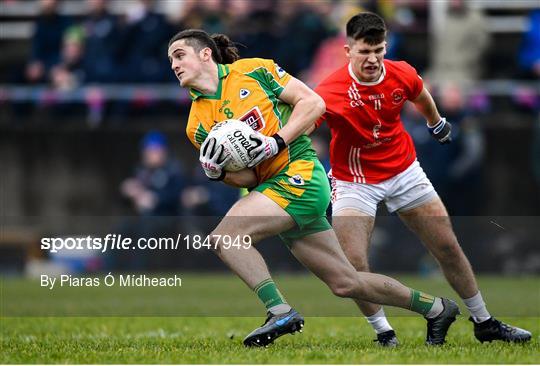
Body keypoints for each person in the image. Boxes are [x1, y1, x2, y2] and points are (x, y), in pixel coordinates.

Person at [167, 28, 461, 348]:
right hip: (272, 188)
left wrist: (275, 142)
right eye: (170, 60)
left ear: (205, 54)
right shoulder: (196, 124)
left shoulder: (253, 71)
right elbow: (248, 178)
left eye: (180, 55)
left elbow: (313, 102)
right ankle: (437, 308)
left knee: (226, 236)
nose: (174, 64)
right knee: (346, 283)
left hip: (301, 174)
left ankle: (279, 311)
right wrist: (217, 173)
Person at [311, 12, 532, 346]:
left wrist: (436, 121)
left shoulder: (401, 72)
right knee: (353, 267)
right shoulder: (329, 90)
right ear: (348, 51)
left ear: (385, 47)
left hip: (403, 170)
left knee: (447, 247)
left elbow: (420, 93)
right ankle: (384, 333)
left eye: (378, 50)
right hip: (353, 180)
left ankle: (484, 323)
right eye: (364, 52)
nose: (372, 59)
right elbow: (307, 122)